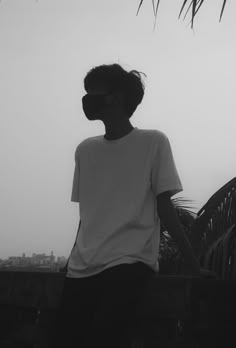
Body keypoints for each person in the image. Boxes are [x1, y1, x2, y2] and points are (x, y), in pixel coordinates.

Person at [53, 63, 201, 348]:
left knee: (104, 336)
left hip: (130, 263)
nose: (87, 100)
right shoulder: (85, 149)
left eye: (93, 93)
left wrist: (194, 265)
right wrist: (73, 258)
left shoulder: (153, 142)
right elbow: (88, 214)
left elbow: (164, 206)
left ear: (117, 97)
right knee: (66, 339)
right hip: (82, 267)